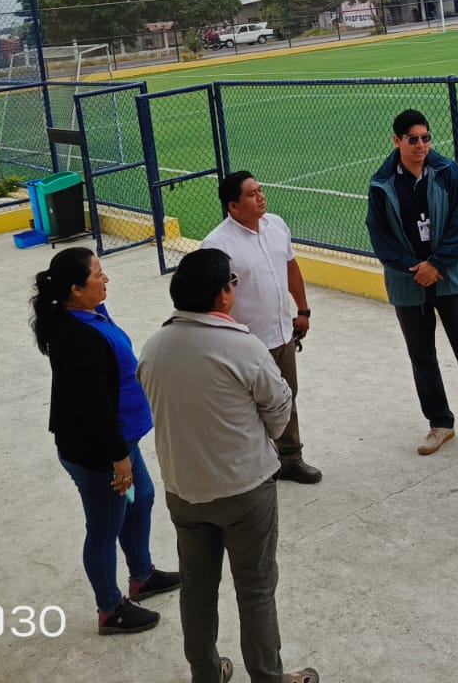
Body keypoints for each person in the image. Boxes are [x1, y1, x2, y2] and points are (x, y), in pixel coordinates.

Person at [136, 248, 320, 683]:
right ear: (222, 295)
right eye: (232, 283)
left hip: (183, 491)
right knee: (256, 590)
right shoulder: (243, 346)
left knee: (197, 590)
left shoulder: (154, 346)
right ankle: (268, 677)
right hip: (244, 490)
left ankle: (205, 673)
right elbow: (279, 411)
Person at [29, 247, 181, 635]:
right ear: (76, 290)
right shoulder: (76, 337)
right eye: (98, 274)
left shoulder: (90, 312)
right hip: (98, 451)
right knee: (105, 525)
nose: (105, 278)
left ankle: (142, 575)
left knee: (141, 499)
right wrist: (117, 457)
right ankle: (110, 609)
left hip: (120, 441)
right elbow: (94, 407)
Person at [364, 109, 458, 461]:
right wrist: (413, 268)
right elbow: (379, 236)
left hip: (451, 277)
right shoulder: (381, 184)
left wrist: (437, 264)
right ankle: (440, 423)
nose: (421, 145)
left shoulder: (448, 172)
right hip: (408, 283)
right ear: (396, 140)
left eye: (426, 138)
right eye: (413, 139)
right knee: (422, 356)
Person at [200, 171, 322, 485]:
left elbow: (290, 268)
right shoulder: (215, 245)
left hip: (281, 334)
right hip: (244, 344)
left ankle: (290, 459)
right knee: (247, 407)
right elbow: (210, 301)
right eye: (252, 194)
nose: (261, 197)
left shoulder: (276, 225)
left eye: (260, 190)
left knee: (285, 397)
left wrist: (303, 310)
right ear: (233, 206)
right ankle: (255, 465)